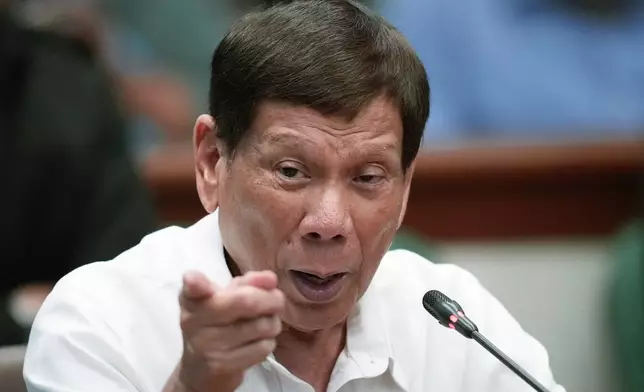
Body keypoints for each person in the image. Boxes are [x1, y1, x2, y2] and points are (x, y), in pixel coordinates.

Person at [23, 1, 565, 391]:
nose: (328, 222)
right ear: (212, 162)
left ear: (405, 188)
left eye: (369, 177)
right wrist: (195, 385)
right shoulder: (99, 323)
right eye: (291, 171)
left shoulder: (449, 317)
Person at [0, 7, 156, 345]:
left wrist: (35, 311)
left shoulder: (65, 81)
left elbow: (123, 269)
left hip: (66, 354)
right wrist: (18, 311)